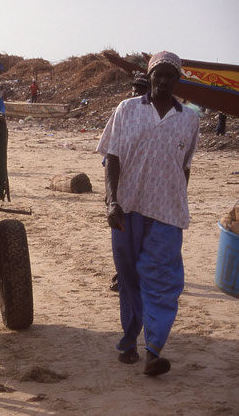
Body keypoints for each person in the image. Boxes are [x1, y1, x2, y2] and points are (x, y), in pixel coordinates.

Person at [96, 51, 199, 377]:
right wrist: (112, 202)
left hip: (168, 213)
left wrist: (178, 200)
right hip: (128, 209)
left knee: (162, 282)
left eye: (171, 75)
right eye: (159, 74)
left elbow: (184, 168)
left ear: (178, 80)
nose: (164, 80)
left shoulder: (189, 119)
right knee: (129, 279)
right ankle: (129, 341)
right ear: (150, 75)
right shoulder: (127, 110)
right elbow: (111, 158)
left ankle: (153, 352)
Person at [109, 72, 151, 292]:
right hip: (124, 188)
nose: (136, 94)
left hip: (149, 189)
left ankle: (137, 274)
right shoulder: (123, 111)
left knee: (145, 235)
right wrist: (111, 193)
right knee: (123, 235)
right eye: (135, 89)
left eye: (141, 90)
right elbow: (110, 156)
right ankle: (123, 274)